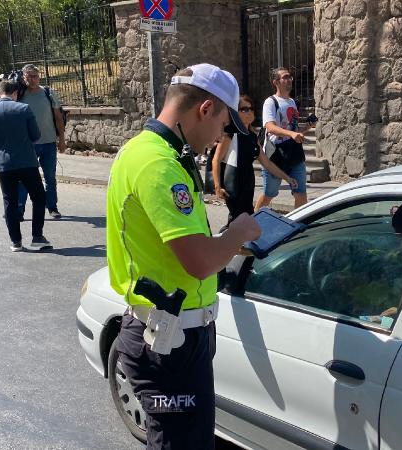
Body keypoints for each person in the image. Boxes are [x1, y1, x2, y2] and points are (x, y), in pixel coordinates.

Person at [106, 63, 261, 450]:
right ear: (205, 109)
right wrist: (239, 232)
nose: (220, 137)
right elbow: (200, 261)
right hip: (170, 343)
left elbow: (183, 247)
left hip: (173, 334)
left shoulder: (150, 151)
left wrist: (225, 242)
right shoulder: (159, 164)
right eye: (225, 125)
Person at [212, 94, 297, 227]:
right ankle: (224, 244)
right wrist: (217, 186)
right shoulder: (230, 134)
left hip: (248, 183)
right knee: (239, 219)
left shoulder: (252, 136)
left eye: (251, 109)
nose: (249, 112)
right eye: (244, 109)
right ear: (236, 112)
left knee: (242, 220)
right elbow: (216, 160)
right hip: (233, 183)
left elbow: (267, 163)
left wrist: (287, 178)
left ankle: (228, 244)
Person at [0, 80, 51, 252]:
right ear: (15, 93)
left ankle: (16, 242)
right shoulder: (23, 109)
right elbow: (35, 135)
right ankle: (37, 236)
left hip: (4, 164)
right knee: (39, 197)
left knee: (9, 202)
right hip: (27, 162)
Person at [254, 67, 315, 211]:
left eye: (290, 77)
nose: (289, 80)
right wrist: (291, 134)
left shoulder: (292, 102)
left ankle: (296, 225)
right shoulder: (271, 102)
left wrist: (306, 127)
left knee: (301, 194)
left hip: (294, 153)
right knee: (269, 194)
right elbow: (270, 127)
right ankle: (255, 219)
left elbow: (292, 130)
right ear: (275, 82)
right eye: (285, 77)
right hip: (276, 155)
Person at [18, 64, 65, 220]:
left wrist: (62, 140)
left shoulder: (48, 93)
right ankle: (19, 210)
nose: (33, 79)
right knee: (24, 179)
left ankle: (52, 207)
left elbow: (58, 117)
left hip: (49, 143)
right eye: (29, 76)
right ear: (23, 77)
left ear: (39, 77)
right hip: (28, 144)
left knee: (50, 177)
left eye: (35, 76)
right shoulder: (19, 95)